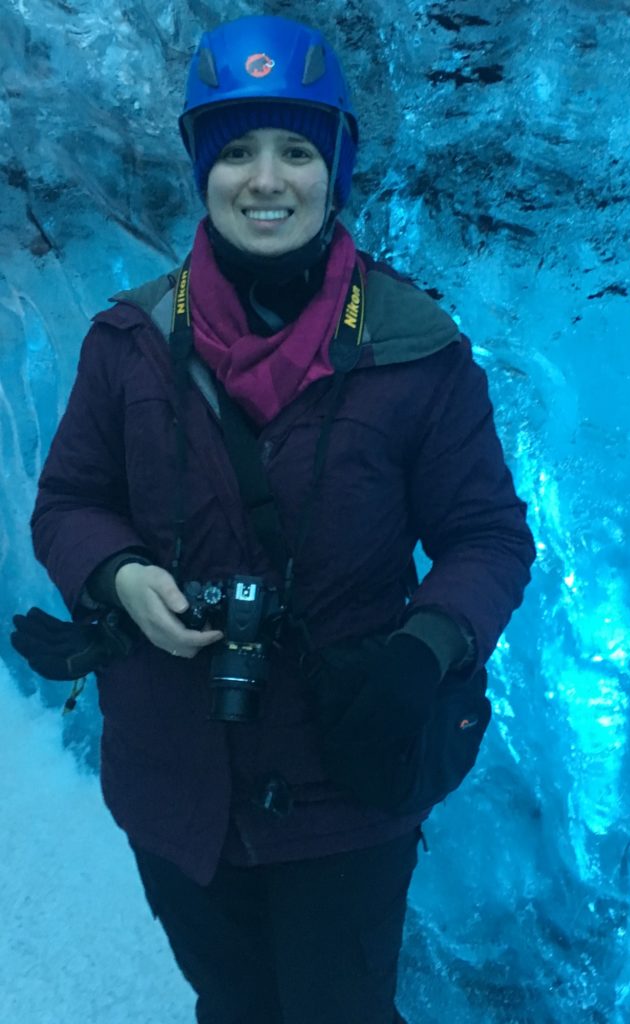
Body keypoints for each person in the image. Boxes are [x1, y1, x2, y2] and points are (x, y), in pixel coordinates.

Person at [15, 14, 535, 1024]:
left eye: (297, 150)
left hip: (347, 783)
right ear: (202, 169)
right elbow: (69, 503)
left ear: (335, 167)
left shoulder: (415, 349)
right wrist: (117, 574)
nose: (266, 180)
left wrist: (424, 648)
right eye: (237, 149)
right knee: (231, 1000)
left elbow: (488, 535)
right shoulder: (127, 343)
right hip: (175, 781)